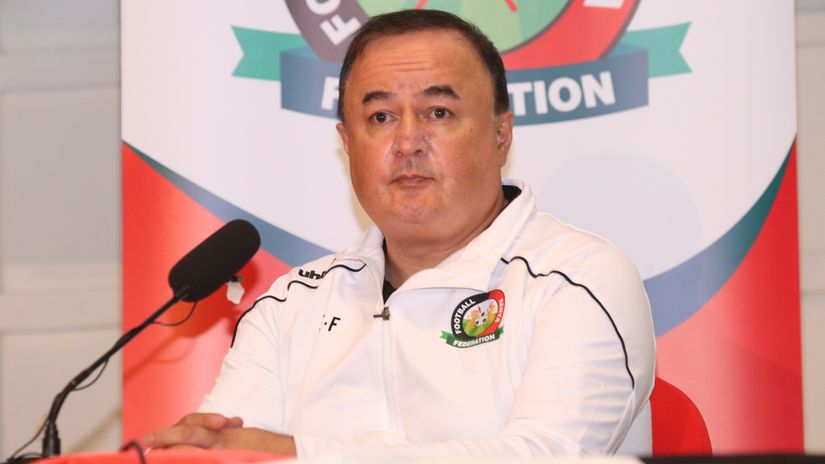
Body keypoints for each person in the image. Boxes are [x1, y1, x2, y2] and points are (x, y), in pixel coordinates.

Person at [145, 9, 655, 459]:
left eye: (439, 112)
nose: (408, 141)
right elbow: (223, 455)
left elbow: (544, 457)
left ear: (501, 134)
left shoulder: (579, 279)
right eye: (381, 116)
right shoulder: (289, 306)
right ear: (348, 142)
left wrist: (301, 454)